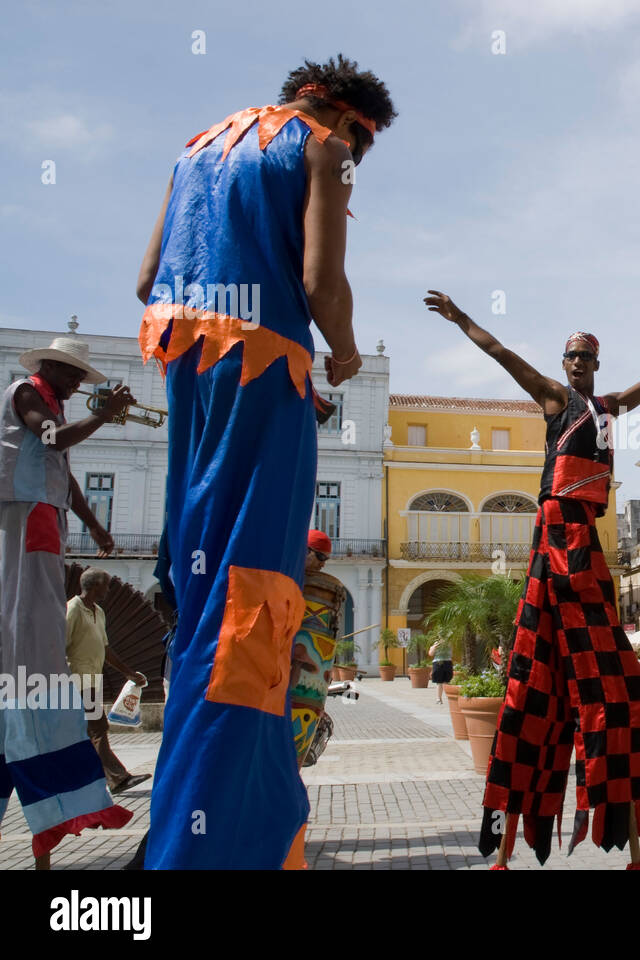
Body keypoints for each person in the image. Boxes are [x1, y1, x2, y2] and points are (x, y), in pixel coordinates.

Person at [134, 56, 396, 869]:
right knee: (256, 596)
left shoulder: (196, 147)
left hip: (191, 372)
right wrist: (344, 355)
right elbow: (323, 281)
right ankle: (223, 840)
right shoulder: (322, 148)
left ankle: (185, 825)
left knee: (203, 589)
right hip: (269, 371)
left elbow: (148, 280)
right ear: (351, 121)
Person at [426, 289, 640, 868]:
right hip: (553, 536)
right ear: (564, 363)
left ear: (596, 364)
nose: (576, 365)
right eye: (570, 357)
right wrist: (462, 316)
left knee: (613, 678)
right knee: (531, 677)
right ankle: (508, 842)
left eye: (585, 358)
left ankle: (630, 837)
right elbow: (500, 353)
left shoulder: (609, 408)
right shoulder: (554, 400)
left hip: (586, 540)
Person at [0, 338, 135, 869]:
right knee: (28, 629)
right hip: (24, 515)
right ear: (48, 367)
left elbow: (65, 476)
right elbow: (52, 441)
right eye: (74, 375)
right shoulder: (27, 396)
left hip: (44, 515)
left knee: (35, 628)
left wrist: (95, 523)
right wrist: (102, 416)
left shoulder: (53, 404)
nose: (80, 384)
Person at [283, 529, 347, 870]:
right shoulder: (283, 581)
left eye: (325, 559)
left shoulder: (321, 587)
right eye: (318, 556)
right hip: (286, 683)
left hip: (308, 687)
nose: (322, 564)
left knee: (291, 761)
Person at [65, 567, 153, 794]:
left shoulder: (99, 612)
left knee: (88, 731)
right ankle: (118, 779)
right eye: (106, 585)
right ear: (95, 586)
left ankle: (87, 781)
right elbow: (60, 645)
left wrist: (128, 672)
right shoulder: (73, 608)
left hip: (93, 678)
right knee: (97, 728)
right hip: (78, 678)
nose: (108, 590)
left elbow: (105, 648)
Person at [429, 638, 453, 704]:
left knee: (447, 681)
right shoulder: (435, 644)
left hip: (447, 662)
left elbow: (451, 654)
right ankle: (438, 698)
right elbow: (430, 653)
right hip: (437, 662)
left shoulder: (449, 643)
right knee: (439, 682)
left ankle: (449, 698)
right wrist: (435, 646)